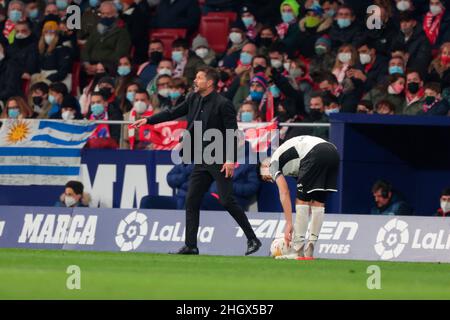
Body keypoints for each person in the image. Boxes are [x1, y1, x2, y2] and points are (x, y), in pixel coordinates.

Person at [132, 67, 261, 256]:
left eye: (199, 77)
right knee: (191, 200)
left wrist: (230, 159)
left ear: (209, 83)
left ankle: (252, 239)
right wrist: (148, 120)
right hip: (201, 159)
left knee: (226, 200)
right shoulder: (193, 98)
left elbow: (233, 132)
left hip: (219, 158)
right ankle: (191, 245)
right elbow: (172, 113)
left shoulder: (223, 104)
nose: (195, 80)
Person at [260, 135, 340, 259]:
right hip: (333, 153)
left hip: (314, 153)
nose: (271, 180)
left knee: (301, 202)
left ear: (265, 167)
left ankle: (298, 250)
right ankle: (310, 247)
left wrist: (288, 223)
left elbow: (284, 192)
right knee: (318, 203)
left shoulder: (272, 164)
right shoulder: (293, 165)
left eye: (267, 177)